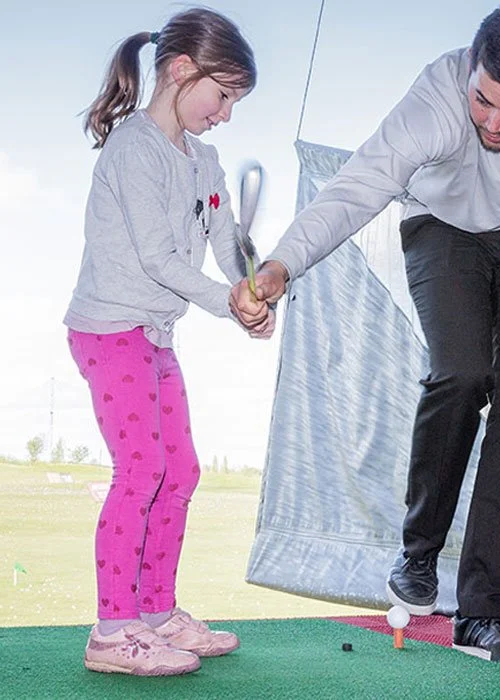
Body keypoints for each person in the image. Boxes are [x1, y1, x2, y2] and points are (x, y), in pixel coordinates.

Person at [232, 2, 500, 658]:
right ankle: (418, 554)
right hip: (442, 229)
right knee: (464, 370)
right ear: (471, 70)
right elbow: (357, 188)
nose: (494, 124)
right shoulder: (435, 101)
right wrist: (280, 266)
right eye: (484, 102)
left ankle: (486, 611)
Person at [65, 8, 272, 676]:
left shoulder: (204, 162)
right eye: (224, 96)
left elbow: (225, 238)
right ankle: (112, 630)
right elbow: (158, 257)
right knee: (142, 470)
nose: (226, 114)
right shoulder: (135, 149)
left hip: (153, 335)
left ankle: (155, 613)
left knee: (180, 470)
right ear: (181, 70)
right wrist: (223, 303)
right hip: (109, 328)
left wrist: (253, 279)